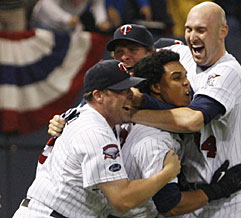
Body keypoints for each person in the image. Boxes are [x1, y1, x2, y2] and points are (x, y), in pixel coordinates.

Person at [48, 22, 241, 205]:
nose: (125, 57)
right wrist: (61, 123)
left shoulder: (163, 98)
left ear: (151, 54)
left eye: (133, 50)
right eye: (119, 52)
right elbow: (166, 204)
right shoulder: (122, 115)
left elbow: (190, 117)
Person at [128, 2, 241, 217]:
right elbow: (143, 60)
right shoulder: (180, 55)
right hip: (201, 195)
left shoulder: (228, 71)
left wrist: (134, 112)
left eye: (201, 29)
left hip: (239, 197)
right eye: (189, 29)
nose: (192, 36)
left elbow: (192, 121)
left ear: (222, 31)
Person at [12, 59, 181, 217]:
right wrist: (167, 174)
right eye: (121, 90)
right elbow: (122, 200)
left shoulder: (82, 115)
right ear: (98, 95)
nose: (130, 94)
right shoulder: (96, 131)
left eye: (130, 88)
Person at [30, 0, 111, 33]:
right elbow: (47, 3)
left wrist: (101, 20)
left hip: (68, 27)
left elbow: (97, 4)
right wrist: (66, 18)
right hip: (45, 23)